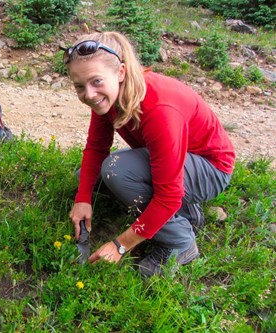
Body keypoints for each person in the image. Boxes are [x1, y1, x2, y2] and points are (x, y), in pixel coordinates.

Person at [66, 31, 235, 277]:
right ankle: (186, 213)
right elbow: (96, 148)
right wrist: (83, 199)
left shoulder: (159, 109)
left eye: (96, 82)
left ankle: (180, 240)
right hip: (178, 162)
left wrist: (120, 245)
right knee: (89, 176)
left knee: (117, 171)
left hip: (211, 170)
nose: (89, 94)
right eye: (79, 86)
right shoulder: (107, 97)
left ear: (121, 72)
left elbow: (169, 195)